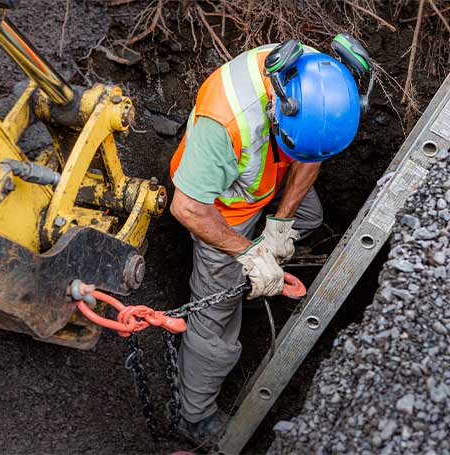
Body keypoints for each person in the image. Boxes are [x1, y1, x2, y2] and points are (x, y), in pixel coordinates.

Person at [169, 37, 364, 446]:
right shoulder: (223, 122)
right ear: (278, 110)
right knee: (216, 315)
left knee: (310, 218)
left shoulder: (318, 81)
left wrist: (281, 223)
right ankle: (194, 415)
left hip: (267, 172)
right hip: (223, 207)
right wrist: (248, 252)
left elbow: (311, 156)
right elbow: (186, 208)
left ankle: (253, 278)